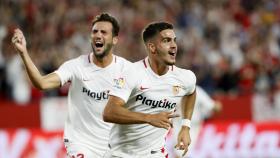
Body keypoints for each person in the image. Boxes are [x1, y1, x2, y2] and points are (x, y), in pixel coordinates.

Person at [11, 13, 131, 158]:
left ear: (115, 40)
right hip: (81, 144)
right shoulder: (76, 66)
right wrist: (24, 53)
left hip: (113, 147)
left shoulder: (127, 70)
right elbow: (41, 83)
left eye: (104, 32)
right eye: (95, 32)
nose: (98, 35)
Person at [103, 22, 197, 158]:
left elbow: (191, 92)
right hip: (120, 154)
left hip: (156, 153)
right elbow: (109, 112)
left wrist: (185, 126)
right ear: (152, 47)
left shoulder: (185, 77)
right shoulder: (131, 73)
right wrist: (148, 118)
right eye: (166, 41)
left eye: (174, 40)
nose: (174, 45)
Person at [166, 85, 222, 158]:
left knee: (182, 152)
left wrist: (216, 105)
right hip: (177, 124)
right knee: (180, 152)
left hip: (192, 127)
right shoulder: (176, 89)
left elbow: (214, 107)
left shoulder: (198, 91)